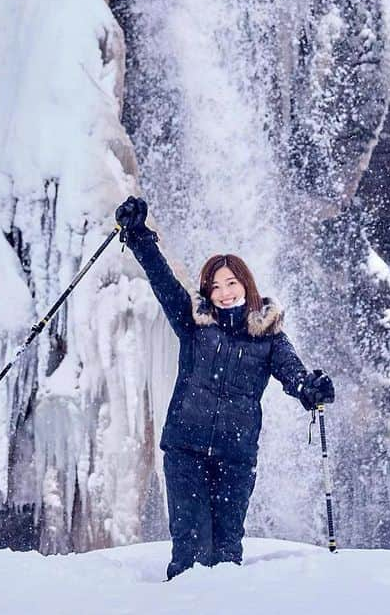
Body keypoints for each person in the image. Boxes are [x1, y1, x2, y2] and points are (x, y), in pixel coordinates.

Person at [115, 195, 334, 580]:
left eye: (231, 283)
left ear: (246, 285)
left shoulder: (269, 337)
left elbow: (293, 375)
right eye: (215, 286)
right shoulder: (194, 324)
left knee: (227, 553)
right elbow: (163, 281)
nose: (224, 292)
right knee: (191, 551)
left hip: (236, 459)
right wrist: (138, 236)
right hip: (185, 451)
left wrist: (310, 389)